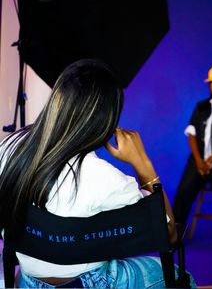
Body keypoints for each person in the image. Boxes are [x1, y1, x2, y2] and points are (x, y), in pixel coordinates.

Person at [0, 59, 196, 288]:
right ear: (108, 120)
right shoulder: (105, 179)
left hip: (26, 281)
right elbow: (169, 236)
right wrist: (143, 164)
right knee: (180, 276)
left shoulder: (8, 147)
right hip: (89, 283)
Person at [173, 64, 212, 225]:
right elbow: (192, 134)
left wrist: (211, 159)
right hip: (199, 156)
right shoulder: (202, 106)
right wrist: (199, 160)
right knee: (185, 189)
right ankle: (174, 231)